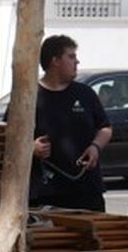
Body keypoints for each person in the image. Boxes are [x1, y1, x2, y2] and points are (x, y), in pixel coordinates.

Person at [30, 34, 112, 212]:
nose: (77, 62)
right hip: (45, 193)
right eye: (71, 56)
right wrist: (31, 148)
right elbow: (9, 137)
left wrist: (96, 147)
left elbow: (105, 128)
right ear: (55, 61)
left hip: (87, 189)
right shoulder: (29, 97)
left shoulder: (85, 93)